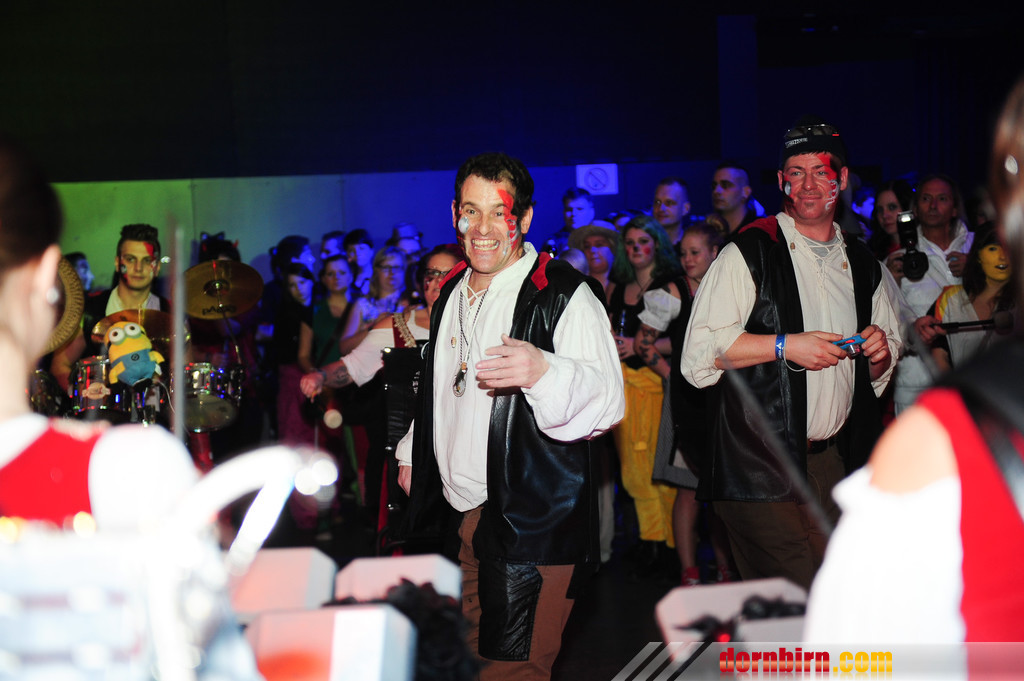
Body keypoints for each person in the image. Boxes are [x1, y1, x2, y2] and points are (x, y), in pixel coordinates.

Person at [805, 76, 1024, 655]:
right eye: (923, 199)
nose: (932, 207)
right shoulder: (892, 258)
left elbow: (854, 645)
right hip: (924, 375)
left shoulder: (941, 439)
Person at [398, 152, 624, 680]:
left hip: (533, 523)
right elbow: (443, 383)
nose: (483, 229)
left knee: (513, 670)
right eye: (471, 211)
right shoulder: (451, 290)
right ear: (454, 213)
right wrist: (413, 448)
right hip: (465, 517)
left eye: (499, 213)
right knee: (475, 663)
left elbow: (609, 402)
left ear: (524, 218)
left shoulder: (562, 294)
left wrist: (543, 370)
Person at [681, 116, 902, 591]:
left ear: (842, 178)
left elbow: (880, 370)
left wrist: (879, 353)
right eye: (796, 173)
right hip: (757, 462)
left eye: (821, 171)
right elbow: (697, 355)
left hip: (831, 461)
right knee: (798, 598)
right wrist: (784, 345)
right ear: (782, 181)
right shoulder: (750, 251)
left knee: (838, 595)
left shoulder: (864, 264)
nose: (809, 184)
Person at [301, 244, 463, 528]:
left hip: (460, 446)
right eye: (431, 273)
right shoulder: (396, 325)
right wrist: (320, 376)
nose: (437, 281)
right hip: (409, 448)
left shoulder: (474, 325)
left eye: (446, 273)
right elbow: (352, 366)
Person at [607, 215, 685, 580]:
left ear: (656, 245)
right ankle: (650, 540)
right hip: (624, 387)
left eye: (643, 242)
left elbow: (684, 339)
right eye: (630, 242)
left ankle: (669, 545)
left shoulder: (669, 285)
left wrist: (637, 345)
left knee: (660, 469)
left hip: (656, 385)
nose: (636, 248)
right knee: (632, 470)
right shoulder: (617, 286)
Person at [50, 223, 170, 391]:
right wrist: (82, 394)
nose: (138, 268)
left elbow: (185, 373)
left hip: (158, 406)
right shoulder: (91, 311)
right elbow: (59, 365)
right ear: (117, 262)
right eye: (130, 259)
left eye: (147, 260)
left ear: (157, 267)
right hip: (103, 406)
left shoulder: (171, 312)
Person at [892, 173, 975, 413]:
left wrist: (976, 269)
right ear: (916, 209)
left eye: (942, 198)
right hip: (917, 385)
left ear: (955, 208)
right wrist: (892, 279)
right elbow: (888, 320)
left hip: (975, 379)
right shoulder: (900, 259)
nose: (933, 205)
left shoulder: (979, 248)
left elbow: (1008, 301)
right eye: (926, 198)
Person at [921, 222, 1014, 372]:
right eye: (993, 249)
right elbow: (938, 354)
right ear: (978, 255)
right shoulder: (950, 300)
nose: (1002, 257)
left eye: (1008, 248)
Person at [338, 246, 406, 355]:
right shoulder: (363, 305)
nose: (392, 272)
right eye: (386, 267)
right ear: (376, 270)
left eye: (397, 267)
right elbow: (344, 348)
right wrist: (374, 327)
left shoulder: (412, 306)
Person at [866, 178, 914, 265]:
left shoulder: (925, 244)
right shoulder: (872, 252)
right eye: (880, 210)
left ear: (907, 208)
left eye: (892, 207)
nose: (884, 215)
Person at [568, 223, 618, 301]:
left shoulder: (627, 285)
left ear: (613, 248)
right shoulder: (575, 287)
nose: (592, 250)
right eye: (587, 246)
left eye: (599, 245)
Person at [544, 187, 596, 254]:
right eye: (569, 209)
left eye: (580, 209)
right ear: (563, 212)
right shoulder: (553, 243)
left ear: (591, 212)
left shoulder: (604, 238)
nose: (574, 214)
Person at [710, 162, 757, 238]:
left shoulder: (759, 232)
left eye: (725, 185)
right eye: (714, 186)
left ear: (746, 192)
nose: (716, 191)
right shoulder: (709, 233)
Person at [652, 176, 691, 246]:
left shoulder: (693, 248)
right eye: (657, 202)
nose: (661, 208)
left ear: (685, 209)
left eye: (669, 203)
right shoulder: (645, 246)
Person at [343, 228, 375, 297]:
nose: (357, 253)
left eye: (362, 248)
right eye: (352, 250)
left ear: (371, 251)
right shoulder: (347, 278)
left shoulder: (378, 277)